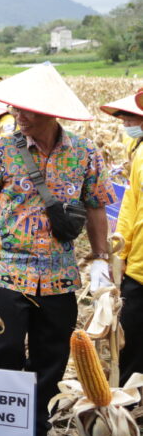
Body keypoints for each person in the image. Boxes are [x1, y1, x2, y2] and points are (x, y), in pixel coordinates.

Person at [0, 64, 114, 436]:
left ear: (53, 111)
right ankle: (4, 433)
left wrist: (101, 258)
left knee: (51, 358)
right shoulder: (2, 151)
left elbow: (96, 205)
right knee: (4, 351)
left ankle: (36, 433)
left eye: (28, 110)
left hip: (59, 275)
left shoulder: (84, 153)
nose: (18, 115)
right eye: (15, 108)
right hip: (9, 270)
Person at [101, 91, 143, 385]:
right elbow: (130, 206)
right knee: (132, 341)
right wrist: (121, 252)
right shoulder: (140, 154)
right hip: (139, 268)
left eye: (130, 117)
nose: (126, 123)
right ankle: (130, 407)